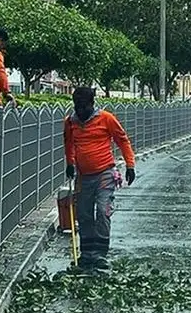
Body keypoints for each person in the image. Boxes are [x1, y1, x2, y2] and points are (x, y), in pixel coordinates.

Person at [64, 87, 136, 271]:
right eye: (76, 107)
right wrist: (70, 163)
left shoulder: (106, 119)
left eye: (83, 107)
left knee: (103, 211)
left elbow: (122, 140)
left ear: (91, 103)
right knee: (84, 215)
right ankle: (87, 254)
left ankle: (100, 254)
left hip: (105, 174)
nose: (79, 111)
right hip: (83, 177)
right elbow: (69, 143)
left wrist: (130, 165)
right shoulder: (71, 123)